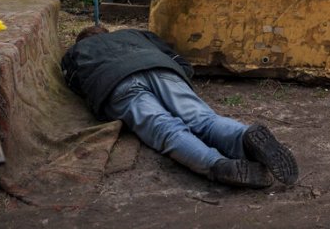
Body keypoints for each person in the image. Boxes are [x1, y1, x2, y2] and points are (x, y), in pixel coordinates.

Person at [60, 25, 299, 188]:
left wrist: (99, 100)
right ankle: (243, 138)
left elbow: (75, 83)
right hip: (160, 67)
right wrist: (180, 75)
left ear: (82, 41)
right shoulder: (135, 34)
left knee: (165, 128)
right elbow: (175, 57)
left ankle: (216, 165)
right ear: (106, 31)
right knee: (203, 118)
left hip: (116, 81)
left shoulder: (77, 51)